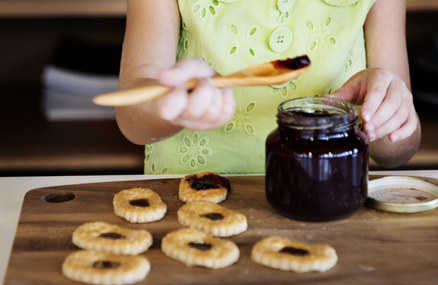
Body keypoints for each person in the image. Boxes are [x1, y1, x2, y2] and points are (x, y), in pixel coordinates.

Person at [116, 0, 421, 174]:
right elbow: (132, 116)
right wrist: (172, 101)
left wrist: (386, 113)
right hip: (188, 197)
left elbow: (399, 147)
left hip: (332, 194)